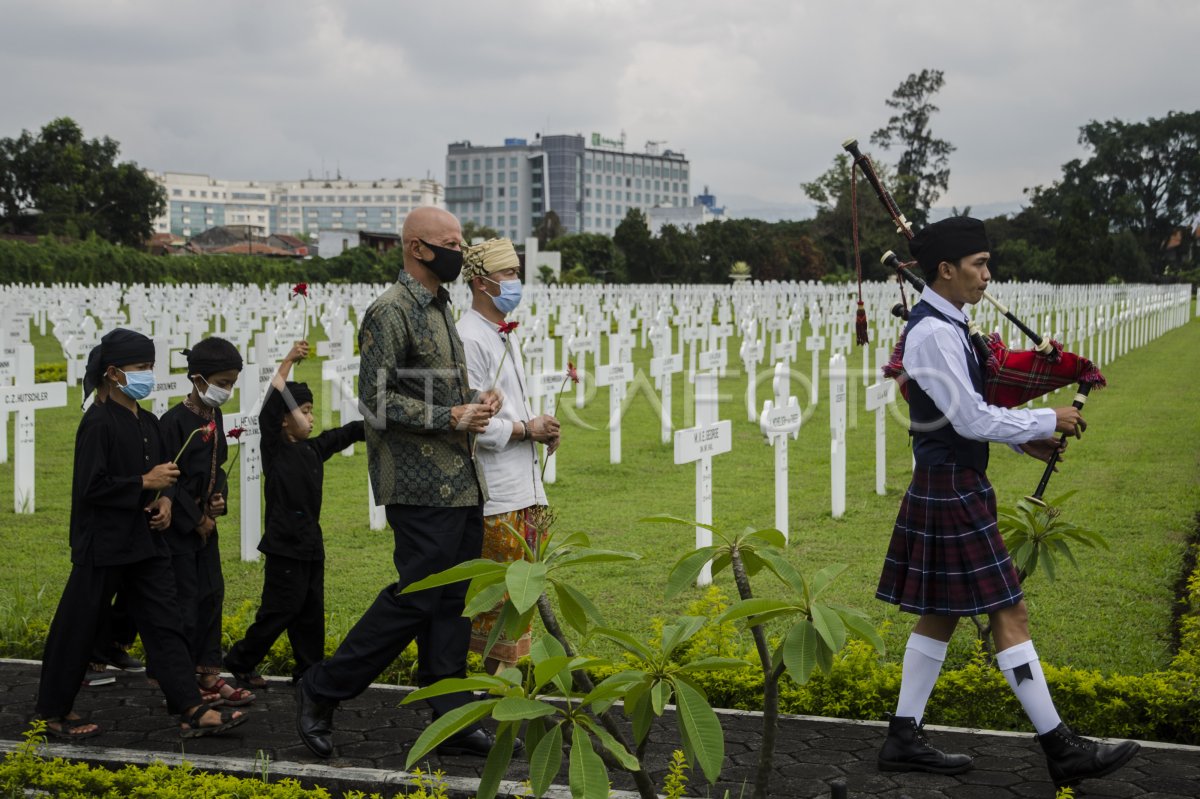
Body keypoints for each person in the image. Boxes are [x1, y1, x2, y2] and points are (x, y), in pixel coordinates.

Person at [874, 217, 1138, 788]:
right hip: (950, 484)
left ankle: (903, 735)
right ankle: (1061, 747)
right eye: (979, 265)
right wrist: (1049, 416)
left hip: (952, 479)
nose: (987, 276)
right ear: (946, 270)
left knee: (941, 611)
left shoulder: (952, 322)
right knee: (1008, 610)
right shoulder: (933, 334)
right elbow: (966, 417)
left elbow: (965, 412)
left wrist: (1026, 439)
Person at [295, 206, 507, 759]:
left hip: (460, 480)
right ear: (417, 248)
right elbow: (376, 401)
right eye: (451, 241)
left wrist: (478, 402)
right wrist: (451, 418)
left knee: (452, 601)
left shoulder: (441, 307)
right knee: (417, 597)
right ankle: (322, 689)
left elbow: (436, 390)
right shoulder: (390, 312)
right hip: (416, 483)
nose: (460, 250)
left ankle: (451, 716)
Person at [35, 328, 247, 739]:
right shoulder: (98, 422)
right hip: (104, 545)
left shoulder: (148, 421)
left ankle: (190, 707)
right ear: (114, 373)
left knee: (165, 622)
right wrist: (143, 482)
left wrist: (165, 500)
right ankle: (51, 712)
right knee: (77, 627)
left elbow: (163, 476)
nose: (148, 375)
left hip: (145, 542)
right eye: (140, 368)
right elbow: (91, 487)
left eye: (151, 366)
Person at [224, 340, 365, 686]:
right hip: (284, 545)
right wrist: (288, 359)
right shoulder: (273, 449)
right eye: (304, 410)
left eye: (312, 410)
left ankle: (308, 669)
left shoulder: (313, 449)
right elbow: (270, 404)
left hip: (311, 545)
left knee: (310, 610)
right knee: (280, 610)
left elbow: (346, 433)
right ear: (285, 421)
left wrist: (378, 424)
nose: (312, 417)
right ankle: (241, 660)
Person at [457, 238, 559, 672]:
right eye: (509, 275)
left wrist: (540, 424)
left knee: (522, 601)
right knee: (498, 602)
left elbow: (509, 407)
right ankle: (492, 694)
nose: (518, 283)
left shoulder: (501, 333)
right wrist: (524, 429)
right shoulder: (468, 338)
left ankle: (511, 686)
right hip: (498, 495)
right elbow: (473, 423)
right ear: (481, 283)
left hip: (526, 490)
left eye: (518, 273)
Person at [160, 337, 253, 707]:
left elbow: (219, 467)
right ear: (198, 379)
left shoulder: (215, 416)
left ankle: (209, 672)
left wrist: (218, 500)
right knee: (184, 601)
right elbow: (169, 479)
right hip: (180, 528)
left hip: (206, 527)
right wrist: (195, 517)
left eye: (232, 383)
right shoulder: (173, 422)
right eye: (223, 382)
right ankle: (183, 680)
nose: (227, 390)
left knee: (211, 593)